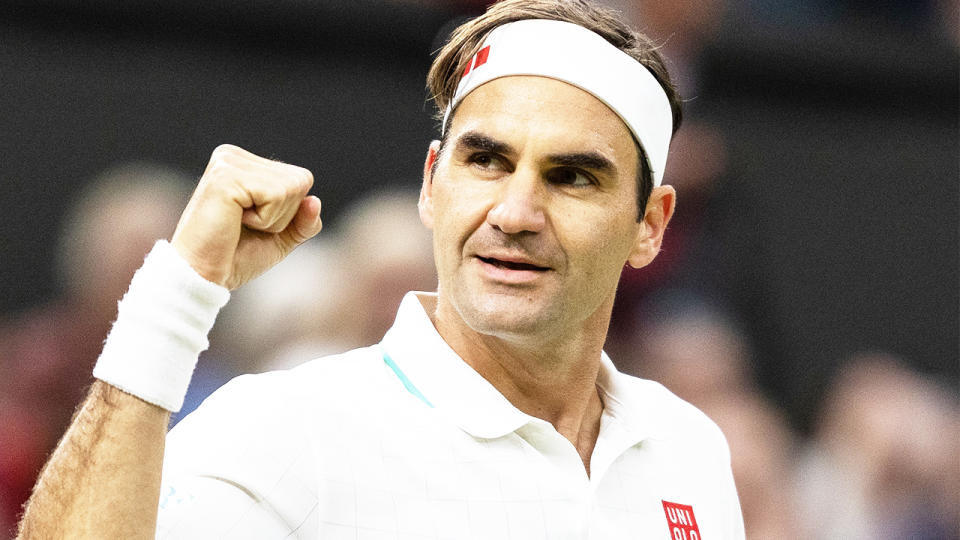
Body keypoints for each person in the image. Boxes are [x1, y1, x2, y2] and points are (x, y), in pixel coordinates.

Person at [16, 1, 745, 538]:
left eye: (572, 177)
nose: (515, 212)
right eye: (486, 161)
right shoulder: (288, 428)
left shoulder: (689, 449)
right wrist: (175, 297)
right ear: (433, 184)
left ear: (650, 225)